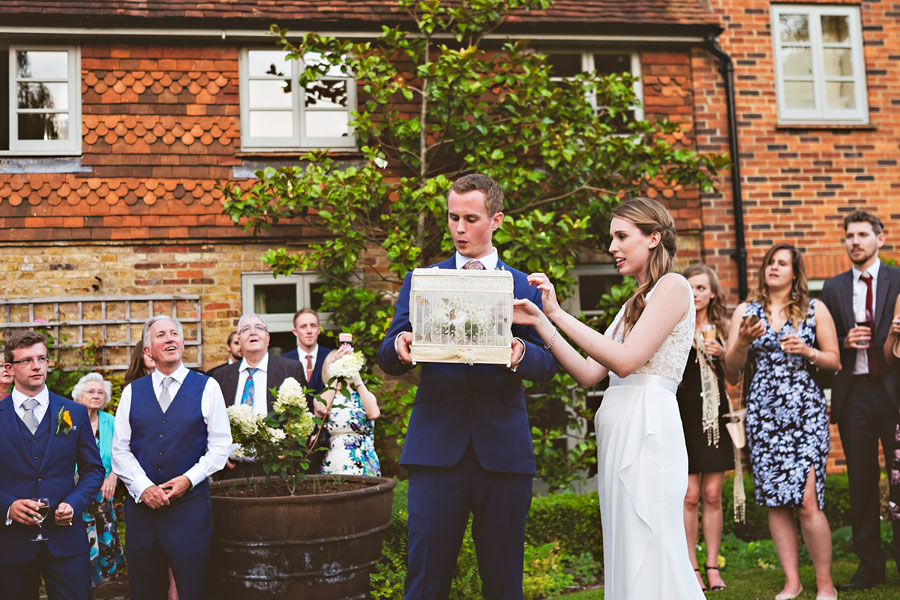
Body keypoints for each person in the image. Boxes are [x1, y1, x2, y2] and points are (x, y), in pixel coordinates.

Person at [514, 196, 706, 599]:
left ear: (654, 238)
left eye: (622, 236)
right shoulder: (632, 303)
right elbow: (589, 372)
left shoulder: (673, 286)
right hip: (620, 430)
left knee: (652, 542)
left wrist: (559, 313)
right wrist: (540, 320)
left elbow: (625, 360)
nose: (612, 247)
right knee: (626, 544)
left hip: (649, 427)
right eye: (611, 238)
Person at [378, 173, 558, 599]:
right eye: (453, 217)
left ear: (495, 220)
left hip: (504, 454)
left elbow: (549, 364)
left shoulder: (523, 285)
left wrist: (520, 352)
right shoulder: (423, 280)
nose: (459, 228)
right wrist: (401, 345)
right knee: (425, 581)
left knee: (503, 581)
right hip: (437, 451)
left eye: (470, 218)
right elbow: (387, 353)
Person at [723, 243, 841, 600]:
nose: (774, 268)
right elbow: (731, 371)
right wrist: (742, 340)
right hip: (765, 414)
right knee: (776, 500)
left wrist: (808, 352)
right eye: (770, 262)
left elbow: (835, 361)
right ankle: (792, 581)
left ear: (795, 272)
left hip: (805, 411)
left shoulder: (814, 309)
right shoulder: (747, 310)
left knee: (807, 500)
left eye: (782, 263)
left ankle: (825, 583)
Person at [111, 316, 231, 600]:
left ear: (182, 343)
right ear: (148, 350)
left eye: (174, 333)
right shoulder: (132, 392)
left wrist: (189, 479)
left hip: (189, 508)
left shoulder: (207, 387)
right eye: (161, 335)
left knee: (193, 585)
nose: (170, 339)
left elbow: (220, 446)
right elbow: (120, 449)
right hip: (143, 513)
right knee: (144, 586)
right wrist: (144, 488)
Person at [819, 210, 900, 591]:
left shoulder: (898, 280)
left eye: (863, 234)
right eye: (849, 235)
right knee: (861, 482)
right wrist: (845, 345)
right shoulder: (833, 288)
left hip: (894, 393)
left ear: (880, 239)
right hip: (854, 396)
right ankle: (870, 566)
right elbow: (826, 343)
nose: (855, 241)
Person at [0, 330, 104, 600]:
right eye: (26, 361)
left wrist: (75, 502)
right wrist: (8, 506)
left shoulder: (74, 413)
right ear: (10, 368)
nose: (36, 366)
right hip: (11, 544)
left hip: (66, 542)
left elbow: (93, 470)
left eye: (41, 358)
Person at [678, 263, 735, 593]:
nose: (696, 294)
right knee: (689, 495)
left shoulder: (724, 327)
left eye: (702, 288)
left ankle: (713, 565)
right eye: (691, 287)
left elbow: (735, 377)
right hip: (682, 414)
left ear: (713, 292)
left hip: (715, 418)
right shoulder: (675, 325)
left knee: (713, 494)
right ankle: (691, 566)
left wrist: (722, 353)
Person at [72, 373, 125, 587]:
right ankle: (82, 581)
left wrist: (113, 476)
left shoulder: (111, 422)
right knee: (80, 540)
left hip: (103, 492)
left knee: (105, 535)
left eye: (100, 392)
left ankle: (107, 583)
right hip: (76, 491)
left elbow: (123, 453)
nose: (96, 396)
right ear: (78, 396)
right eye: (91, 392)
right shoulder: (69, 419)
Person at [318, 346, 381, 476]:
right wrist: (336, 372)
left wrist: (356, 376)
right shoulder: (325, 396)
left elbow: (373, 413)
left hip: (364, 461)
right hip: (336, 461)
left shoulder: (362, 395)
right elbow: (322, 409)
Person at [282, 308, 333, 393]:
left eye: (313, 326)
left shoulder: (331, 357)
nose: (309, 331)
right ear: (295, 332)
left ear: (318, 330)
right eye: (303, 326)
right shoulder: (284, 361)